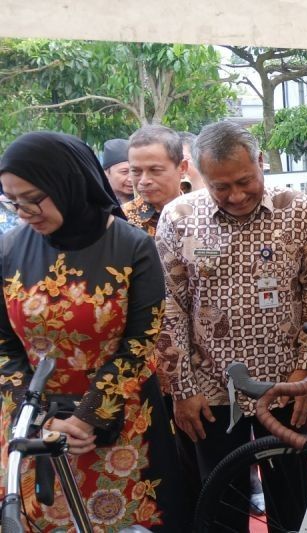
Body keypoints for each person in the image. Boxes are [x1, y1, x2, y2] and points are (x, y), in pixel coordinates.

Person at [0, 132, 187, 530]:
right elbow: (2, 347)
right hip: (35, 422)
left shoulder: (131, 245)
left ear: (67, 182)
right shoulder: (8, 249)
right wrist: (40, 419)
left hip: (120, 422)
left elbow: (140, 343)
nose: (23, 211)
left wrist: (87, 417)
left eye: (33, 197)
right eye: (12, 200)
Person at [155, 120, 307, 531]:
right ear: (199, 174)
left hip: (286, 385)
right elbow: (170, 308)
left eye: (244, 181)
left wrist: (305, 371)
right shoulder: (179, 218)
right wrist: (184, 390)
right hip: (211, 389)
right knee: (222, 503)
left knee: (291, 502)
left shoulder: (298, 210)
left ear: (260, 162)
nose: (235, 195)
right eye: (221, 186)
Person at [123, 125, 187, 237]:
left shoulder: (201, 216)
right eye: (136, 171)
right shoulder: (121, 220)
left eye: (155, 170)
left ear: (182, 168)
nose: (144, 181)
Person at [102, 138, 134, 204]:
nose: (131, 179)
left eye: (135, 171)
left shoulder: (149, 201)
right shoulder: (98, 203)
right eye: (124, 172)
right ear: (106, 173)